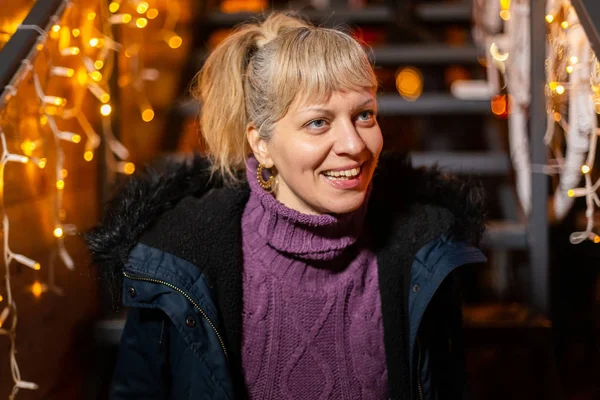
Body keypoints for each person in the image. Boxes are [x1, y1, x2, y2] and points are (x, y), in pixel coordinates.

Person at [86, 12, 486, 400]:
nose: (354, 144)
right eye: (319, 122)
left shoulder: (425, 252)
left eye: (364, 115)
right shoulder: (178, 259)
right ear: (262, 144)